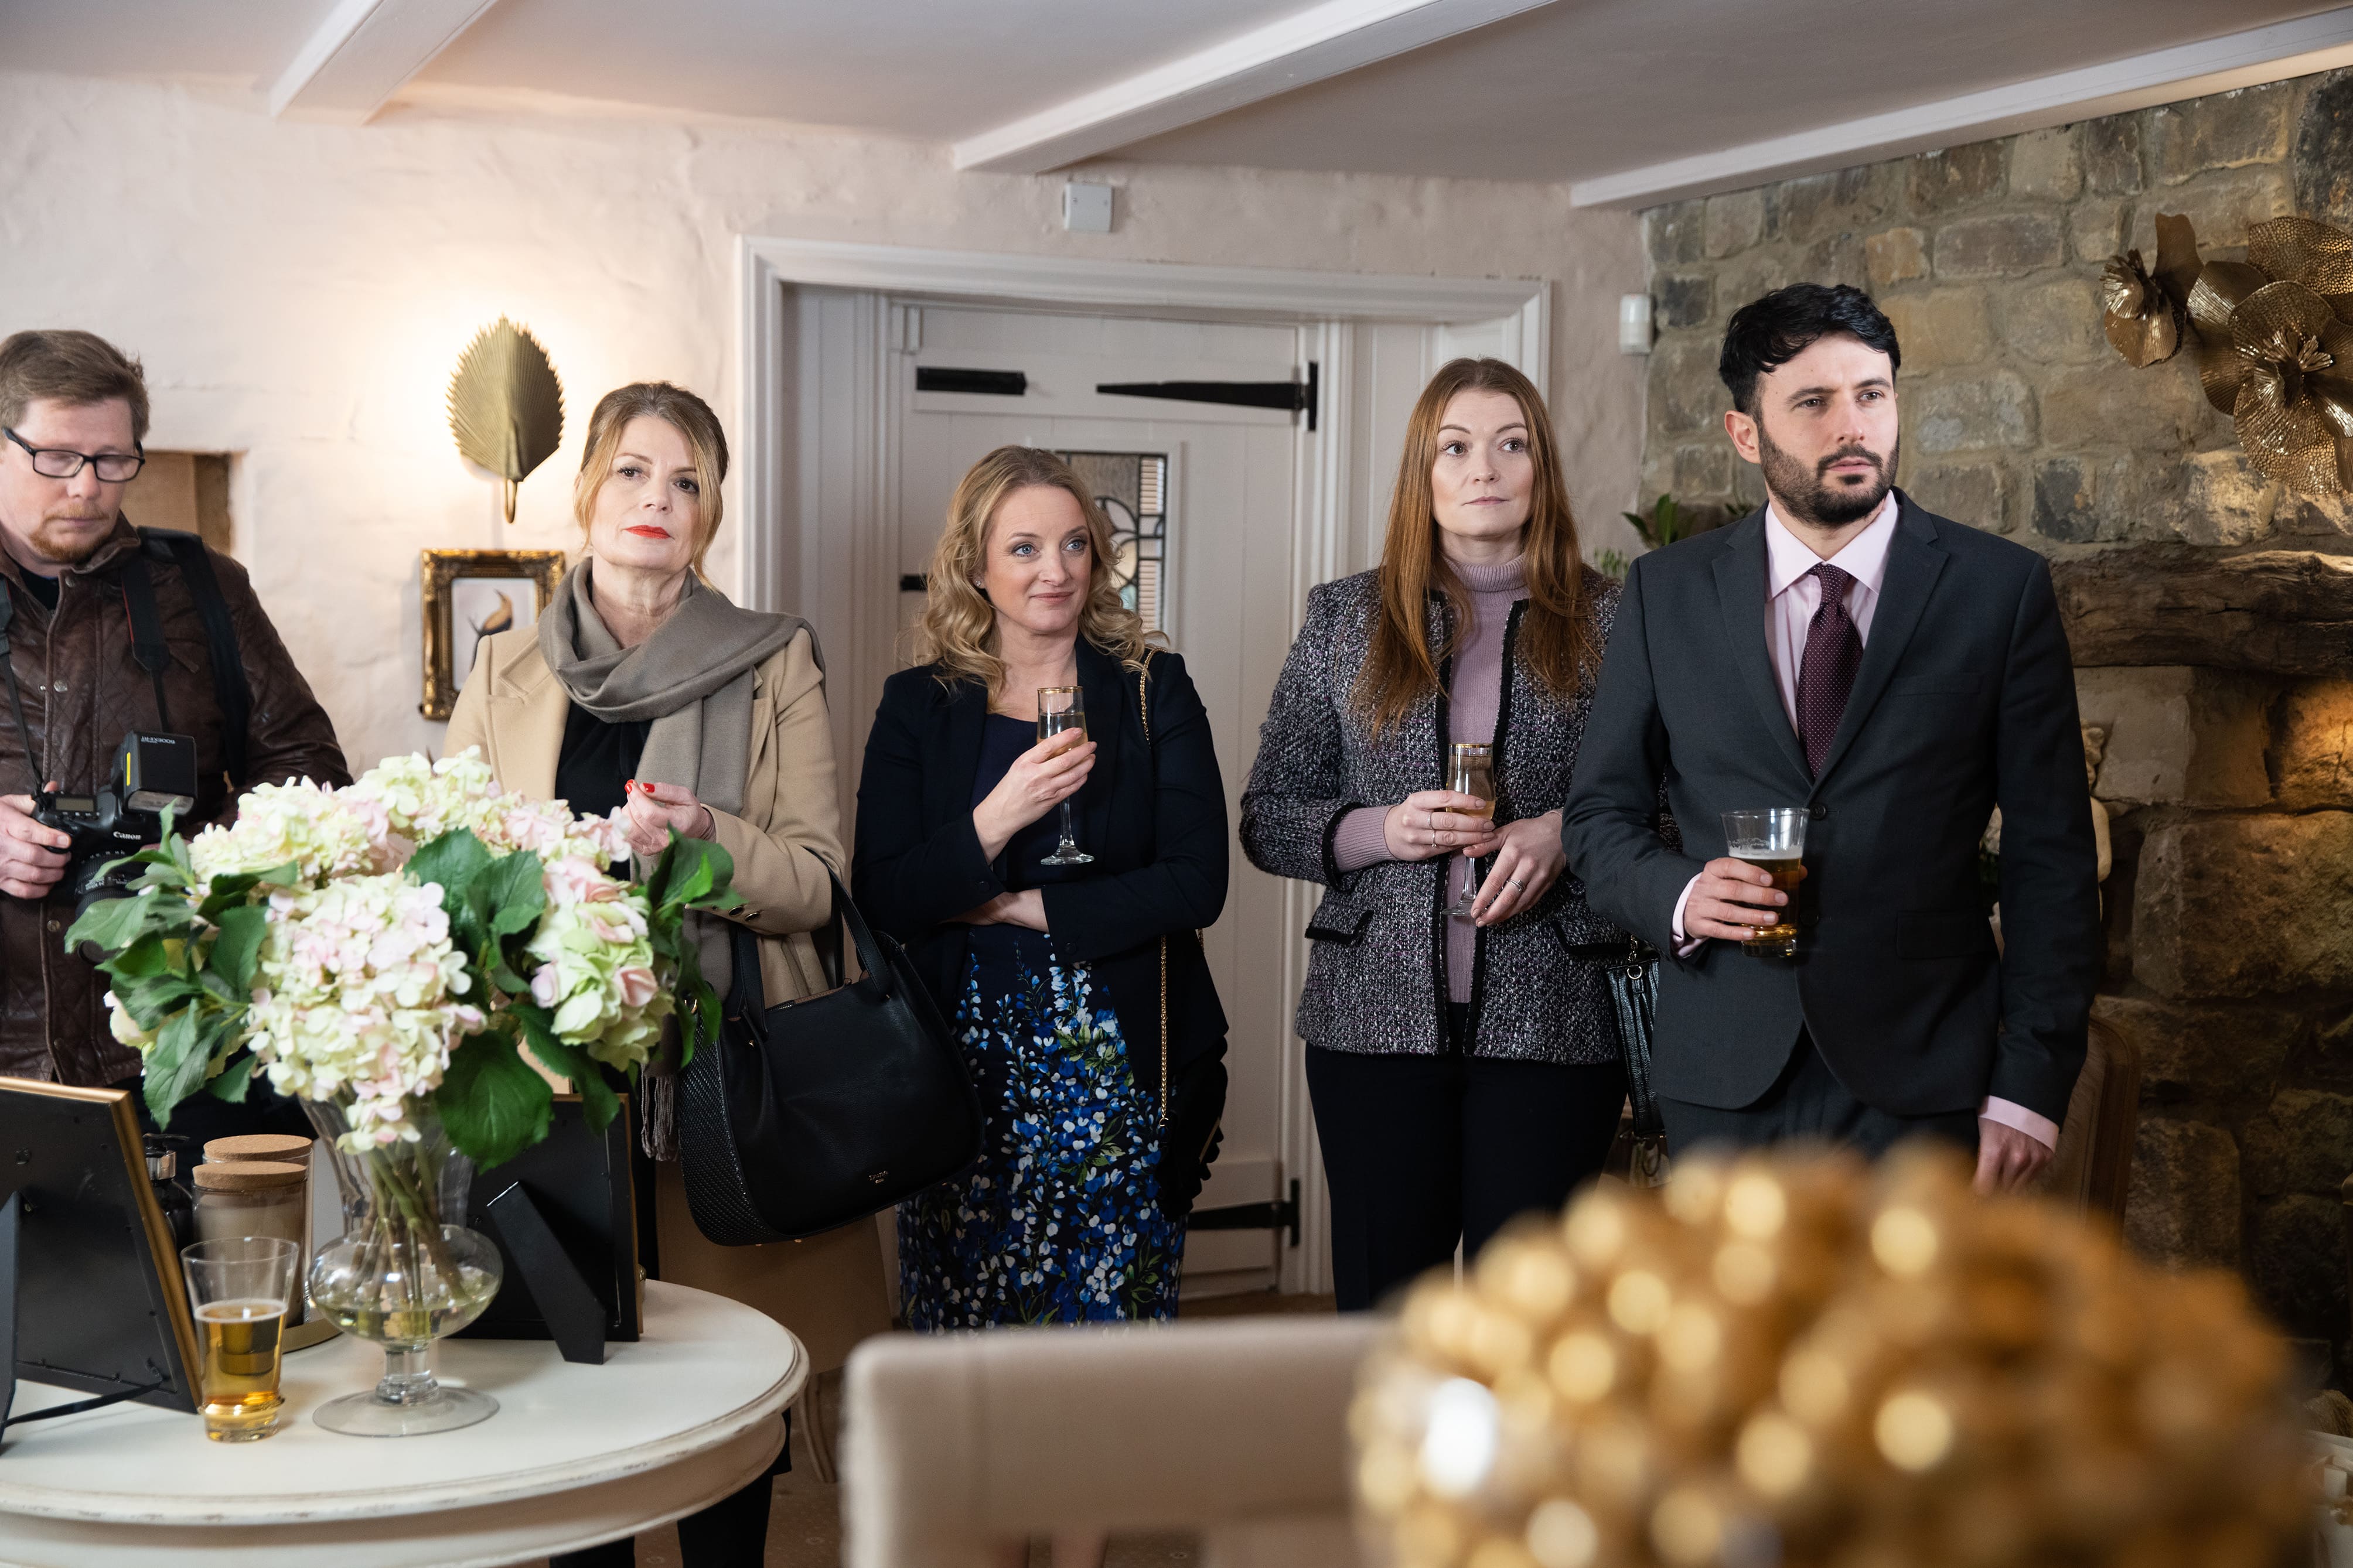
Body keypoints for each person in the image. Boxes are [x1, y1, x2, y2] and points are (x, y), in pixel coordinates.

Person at [446, 381, 886, 1568]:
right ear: (590, 488)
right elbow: (451, 866)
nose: (657, 499)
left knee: (722, 1408)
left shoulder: (775, 657)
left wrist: (702, 836)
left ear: (711, 509)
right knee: (571, 1392)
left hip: (717, 1077)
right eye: (634, 472)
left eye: (686, 480)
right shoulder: (507, 661)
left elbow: (815, 881)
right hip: (552, 1078)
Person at [1562, 284, 2101, 1191]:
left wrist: (2031, 1085)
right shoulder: (1666, 594)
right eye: (1813, 402)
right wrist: (1680, 893)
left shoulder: (2000, 592)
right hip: (1723, 1078)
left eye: (1871, 394)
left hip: (1929, 1080)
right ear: (1746, 434)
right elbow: (1597, 819)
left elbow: (2052, 858)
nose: (1852, 425)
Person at [1239, 358, 1629, 1314]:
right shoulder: (1343, 618)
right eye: (1455, 447)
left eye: (1511, 444)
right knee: (1386, 1314)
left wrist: (1564, 832)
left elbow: (1671, 804)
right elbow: (1268, 814)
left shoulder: (1617, 620)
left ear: (1541, 468)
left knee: (1531, 1322)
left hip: (1554, 1023)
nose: (1483, 468)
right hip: (1372, 1029)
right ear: (1423, 471)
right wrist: (1381, 829)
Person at [0, 329, 347, 1126]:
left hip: (185, 1049)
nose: (87, 487)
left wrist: (194, 861)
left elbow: (312, 774)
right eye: (57, 457)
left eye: (113, 460)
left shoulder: (203, 589)